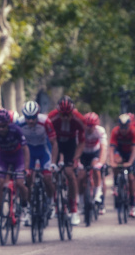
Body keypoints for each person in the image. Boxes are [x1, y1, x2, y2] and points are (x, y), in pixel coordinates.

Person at [17, 101, 57, 223]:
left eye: (33, 118)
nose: (30, 121)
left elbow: (54, 143)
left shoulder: (45, 121)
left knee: (47, 178)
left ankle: (51, 203)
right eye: (28, 118)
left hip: (44, 150)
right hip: (29, 152)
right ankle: (29, 209)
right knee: (28, 180)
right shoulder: (19, 123)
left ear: (37, 115)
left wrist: (53, 162)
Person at [0, 108, 30, 226]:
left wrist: (26, 168)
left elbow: (25, 149)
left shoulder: (16, 129)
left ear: (8, 123)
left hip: (18, 157)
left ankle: (25, 207)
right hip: (3, 157)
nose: (0, 129)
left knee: (20, 183)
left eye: (3, 126)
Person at [48, 96, 85, 225]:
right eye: (61, 114)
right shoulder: (52, 117)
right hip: (55, 144)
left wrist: (76, 158)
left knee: (70, 173)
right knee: (51, 173)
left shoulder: (79, 119)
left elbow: (81, 142)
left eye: (67, 114)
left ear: (72, 111)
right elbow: (46, 138)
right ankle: (54, 203)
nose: (64, 117)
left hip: (70, 145)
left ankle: (74, 210)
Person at [109, 113, 135, 217]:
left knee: (131, 178)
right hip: (120, 152)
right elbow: (112, 149)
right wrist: (112, 162)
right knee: (116, 162)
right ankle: (116, 185)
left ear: (129, 126)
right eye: (121, 127)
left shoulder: (134, 131)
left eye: (125, 128)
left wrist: (130, 162)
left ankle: (132, 206)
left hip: (130, 153)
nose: (123, 130)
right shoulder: (115, 131)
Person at [77, 112, 107, 215]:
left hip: (95, 152)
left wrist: (101, 163)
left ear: (96, 125)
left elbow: (103, 148)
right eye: (87, 125)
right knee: (80, 176)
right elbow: (76, 148)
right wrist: (77, 162)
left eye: (91, 126)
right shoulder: (80, 131)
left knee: (96, 168)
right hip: (83, 153)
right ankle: (81, 202)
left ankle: (98, 194)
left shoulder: (100, 131)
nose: (89, 128)